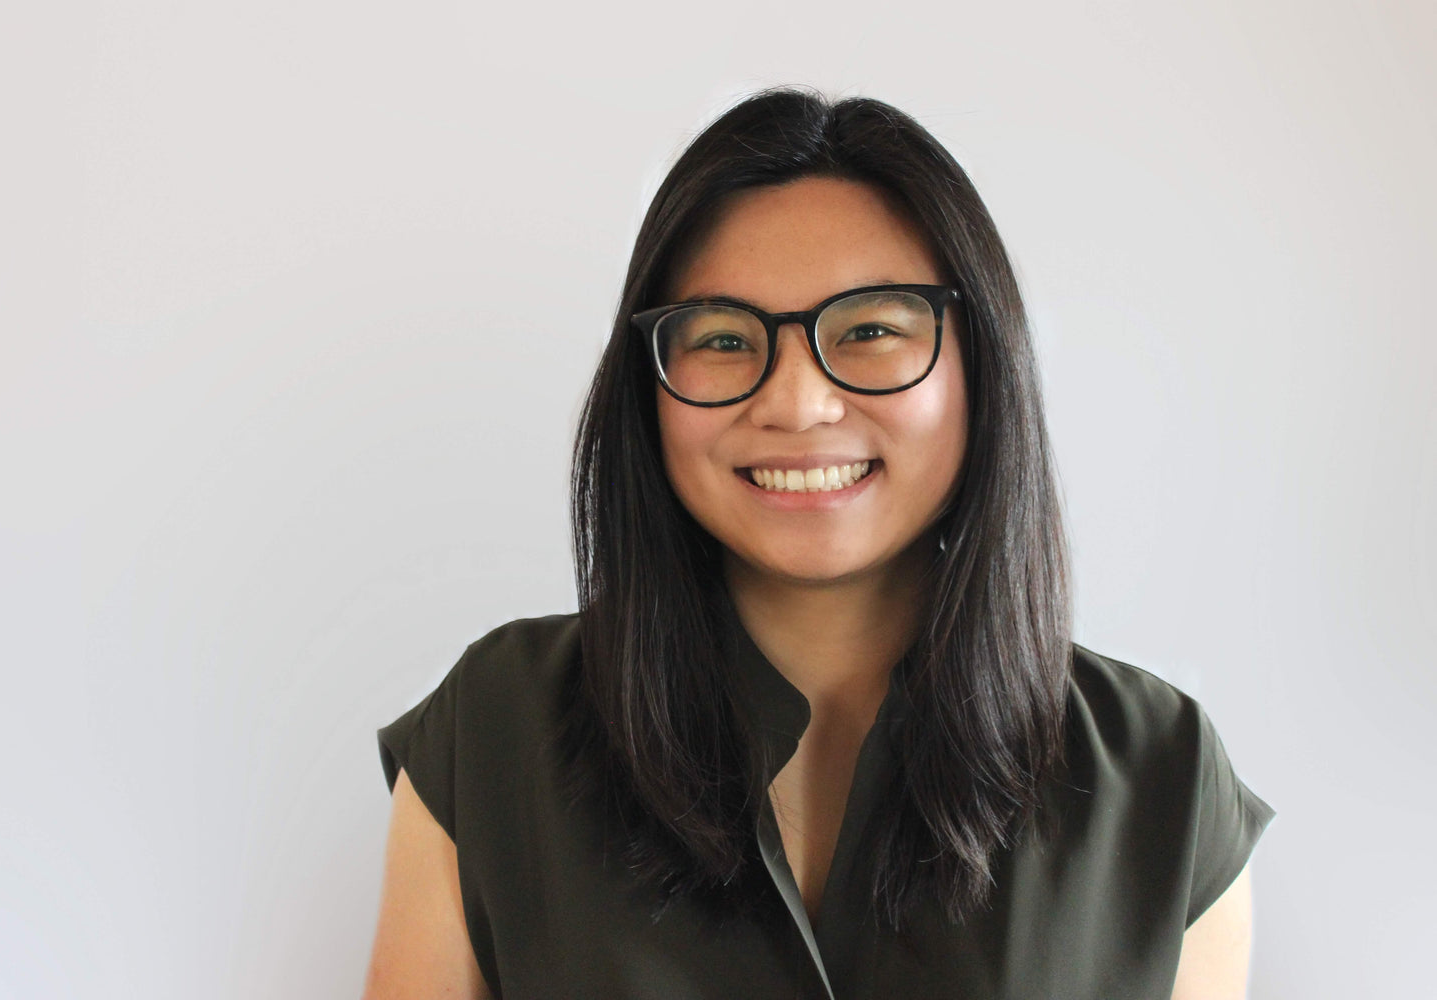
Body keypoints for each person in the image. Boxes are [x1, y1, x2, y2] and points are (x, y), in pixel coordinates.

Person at [362, 88, 1274, 1000]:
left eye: (871, 329)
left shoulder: (1164, 777)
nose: (797, 404)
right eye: (722, 338)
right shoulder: (493, 734)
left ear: (981, 366)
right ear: (648, 392)